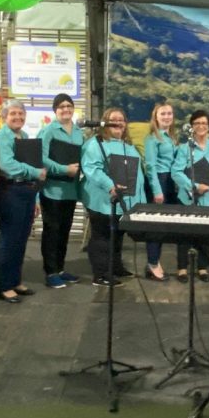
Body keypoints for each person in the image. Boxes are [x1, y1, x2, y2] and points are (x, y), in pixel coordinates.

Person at [80, 107, 146, 286]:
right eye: (113, 120)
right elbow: (92, 169)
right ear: (104, 123)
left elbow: (137, 176)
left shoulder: (128, 146)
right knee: (102, 236)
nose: (117, 123)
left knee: (117, 235)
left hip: (123, 202)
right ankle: (101, 274)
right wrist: (110, 186)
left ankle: (115, 267)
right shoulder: (96, 143)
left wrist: (139, 202)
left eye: (121, 120)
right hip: (101, 200)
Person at [0, 101, 44, 303]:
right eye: (13, 113)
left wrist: (36, 197)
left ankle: (16, 281)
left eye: (21, 113)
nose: (18, 117)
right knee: (9, 239)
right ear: (4, 116)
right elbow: (7, 165)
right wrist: (35, 172)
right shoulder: (0, 137)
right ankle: (4, 286)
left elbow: (32, 164)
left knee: (22, 239)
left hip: (27, 190)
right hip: (10, 191)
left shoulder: (24, 136)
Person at [39, 93, 83, 289]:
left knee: (65, 231)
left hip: (70, 191)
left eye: (69, 106)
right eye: (61, 106)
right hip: (52, 190)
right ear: (55, 110)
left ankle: (61, 268)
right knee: (52, 231)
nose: (66, 109)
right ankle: (51, 272)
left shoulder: (79, 133)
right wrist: (64, 169)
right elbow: (41, 158)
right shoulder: (48, 131)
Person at [171, 109, 209, 283]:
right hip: (188, 198)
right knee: (184, 234)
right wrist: (195, 187)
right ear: (191, 126)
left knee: (206, 236)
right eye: (197, 123)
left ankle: (202, 267)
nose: (200, 126)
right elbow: (176, 172)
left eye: (204, 123)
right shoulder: (185, 148)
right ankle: (182, 268)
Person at [143, 102, 177, 281]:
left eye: (169, 113)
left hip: (170, 182)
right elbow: (150, 166)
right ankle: (152, 263)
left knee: (162, 226)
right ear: (155, 117)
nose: (166, 117)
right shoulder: (152, 139)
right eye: (163, 113)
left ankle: (155, 261)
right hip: (159, 182)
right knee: (155, 226)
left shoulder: (171, 137)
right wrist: (157, 190)